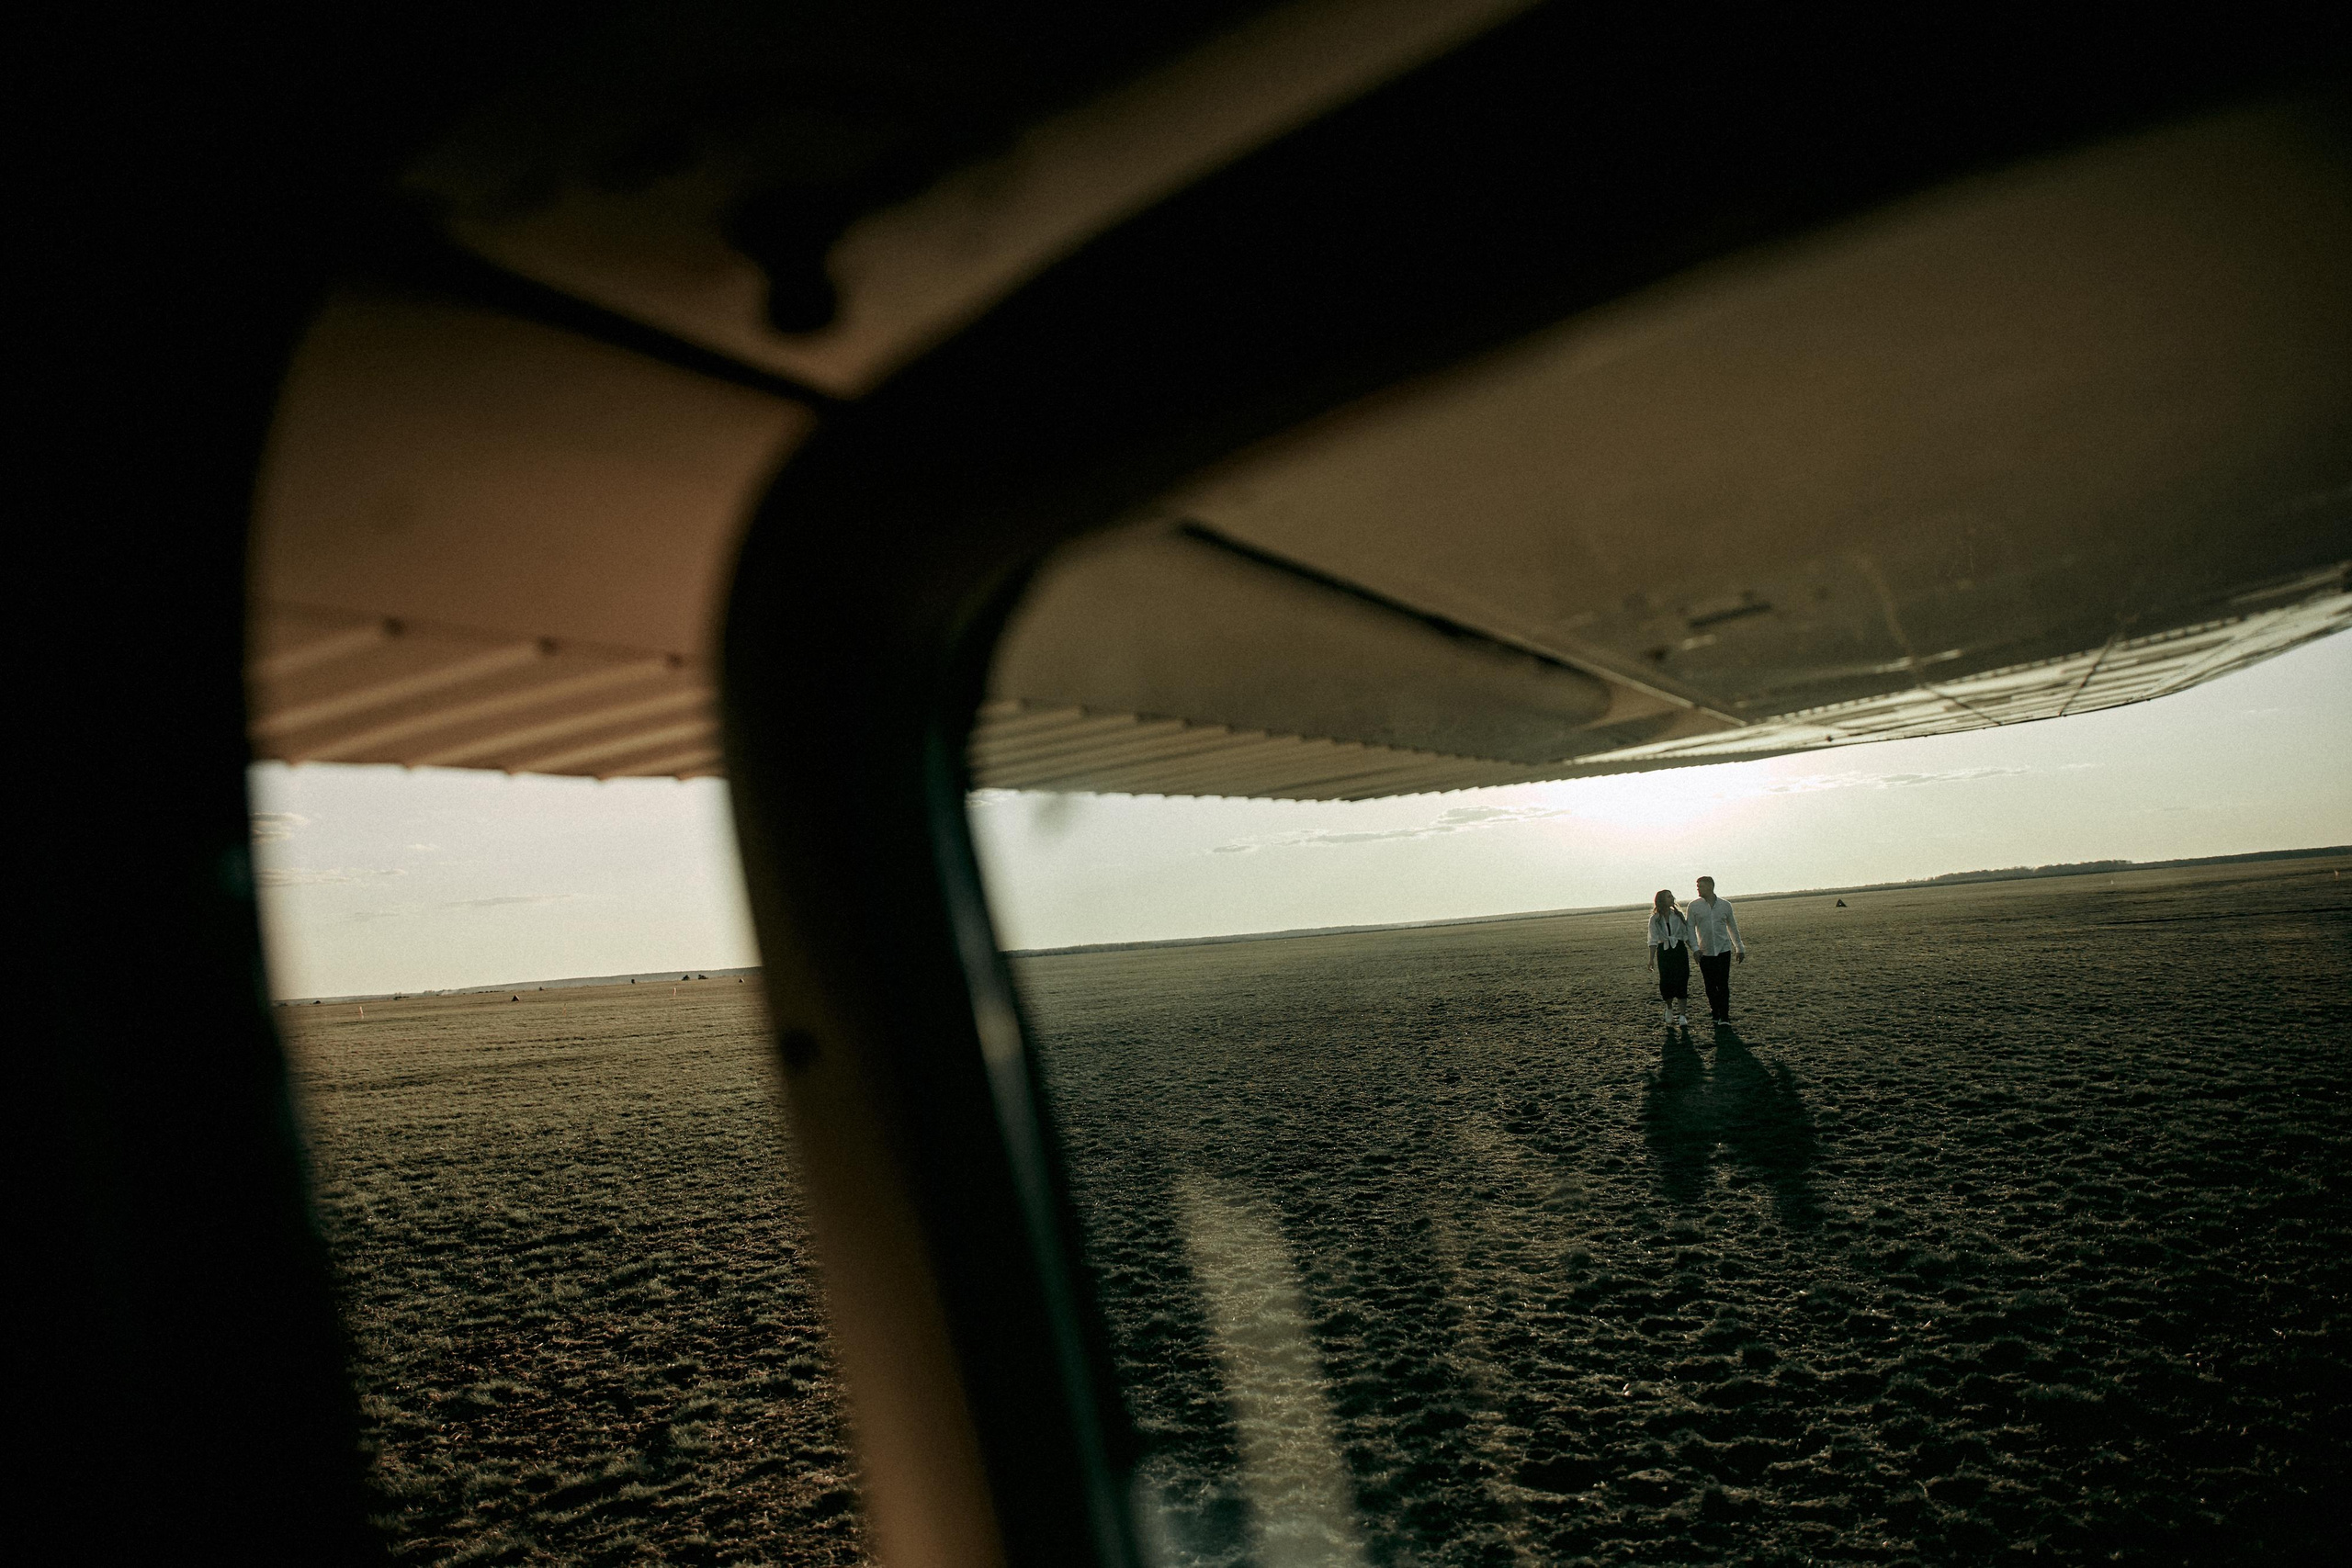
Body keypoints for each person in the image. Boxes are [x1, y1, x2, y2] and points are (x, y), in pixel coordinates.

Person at [1686, 874, 1746, 1023]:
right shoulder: (1693, 906)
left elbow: (1732, 927)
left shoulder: (1725, 905)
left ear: (1711, 887)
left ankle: (1724, 1016)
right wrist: (1695, 949)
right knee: (1710, 985)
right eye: (1697, 886)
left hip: (1723, 950)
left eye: (1701, 886)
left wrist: (1739, 947)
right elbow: (1690, 930)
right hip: (1704, 952)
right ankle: (1715, 1011)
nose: (1698, 889)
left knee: (1723, 984)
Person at [1645, 889, 1693, 1030]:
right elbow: (1653, 940)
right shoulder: (1655, 919)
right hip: (1664, 952)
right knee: (1666, 981)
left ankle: (1683, 1015)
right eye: (1668, 896)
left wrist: (1695, 950)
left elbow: (1685, 936)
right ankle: (1669, 1008)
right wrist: (1651, 959)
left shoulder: (1677, 915)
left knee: (1682, 979)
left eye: (1672, 896)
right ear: (1661, 900)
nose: (1672, 898)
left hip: (1679, 950)